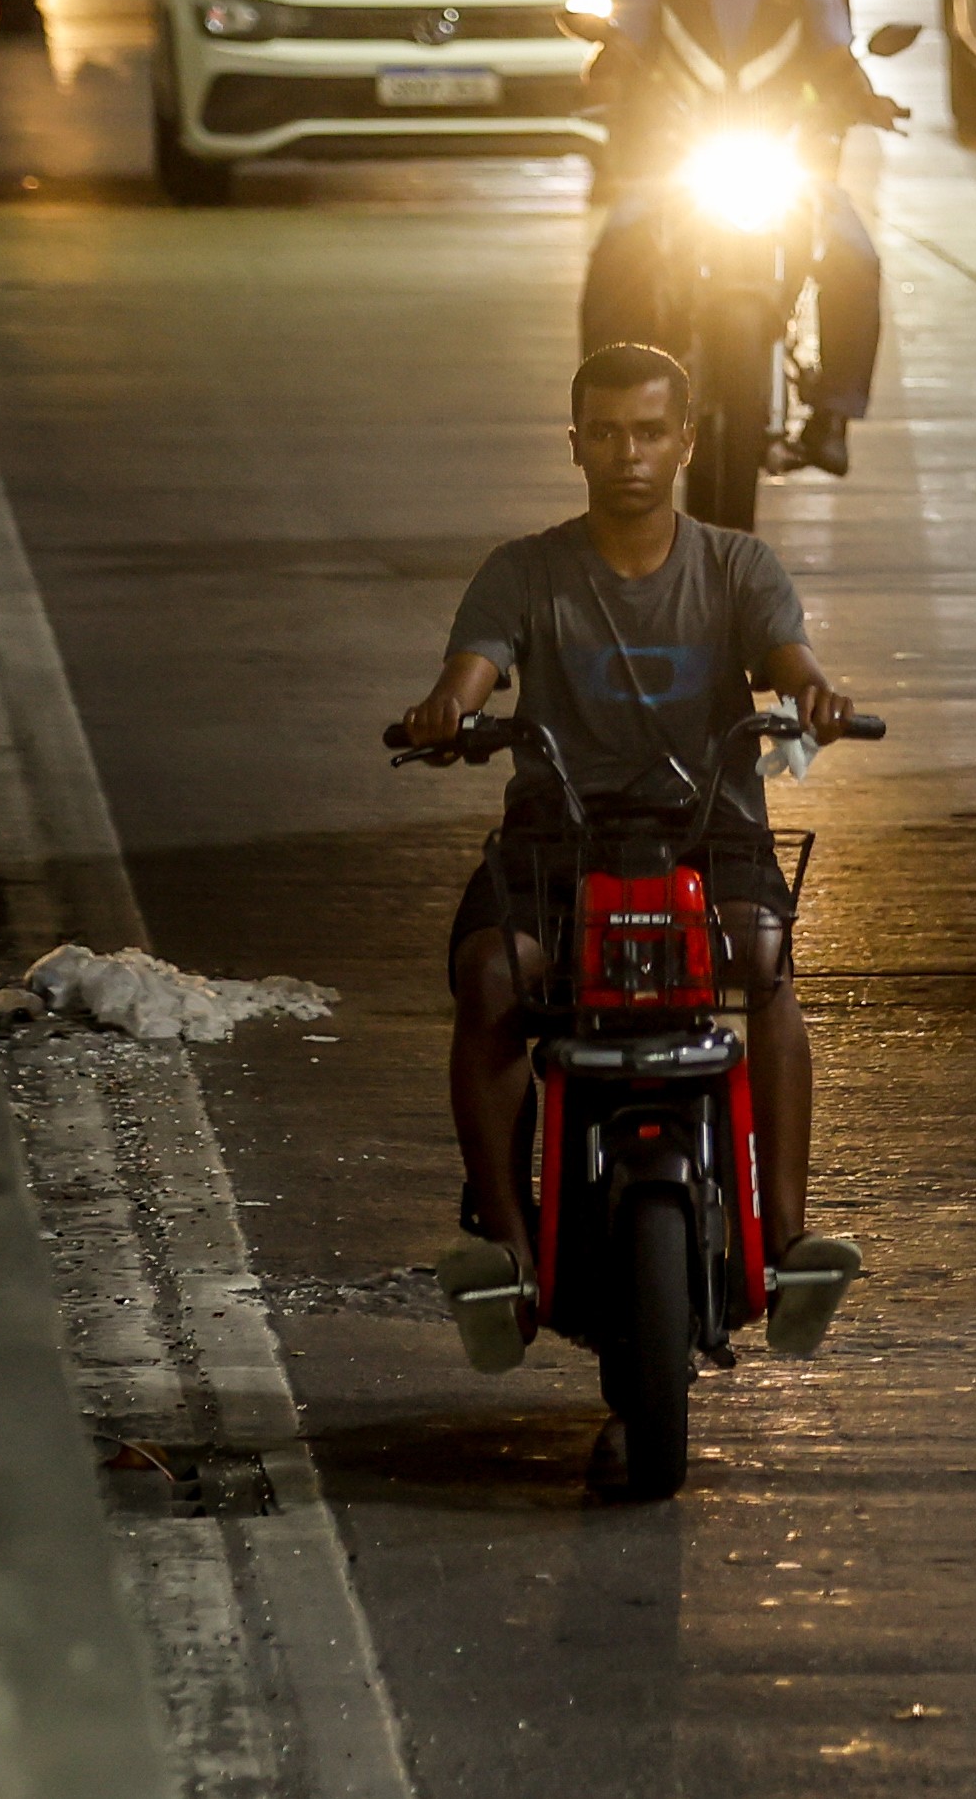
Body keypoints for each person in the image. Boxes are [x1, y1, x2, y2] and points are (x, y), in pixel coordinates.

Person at [402, 342, 868, 1378]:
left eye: (650, 433)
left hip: (708, 830)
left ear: (687, 442)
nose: (629, 454)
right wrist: (447, 712)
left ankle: (787, 1239)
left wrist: (812, 693)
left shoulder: (736, 566)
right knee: (492, 976)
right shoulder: (524, 571)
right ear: (575, 445)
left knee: (764, 959)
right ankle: (510, 1251)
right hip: (557, 837)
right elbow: (471, 671)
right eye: (607, 434)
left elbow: (787, 658)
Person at [581, 0, 893, 475]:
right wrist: (608, 65)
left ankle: (832, 414)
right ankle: (612, 411)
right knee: (616, 253)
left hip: (784, 159)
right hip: (677, 162)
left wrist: (868, 99)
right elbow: (623, 43)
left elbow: (838, 58)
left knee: (855, 259)